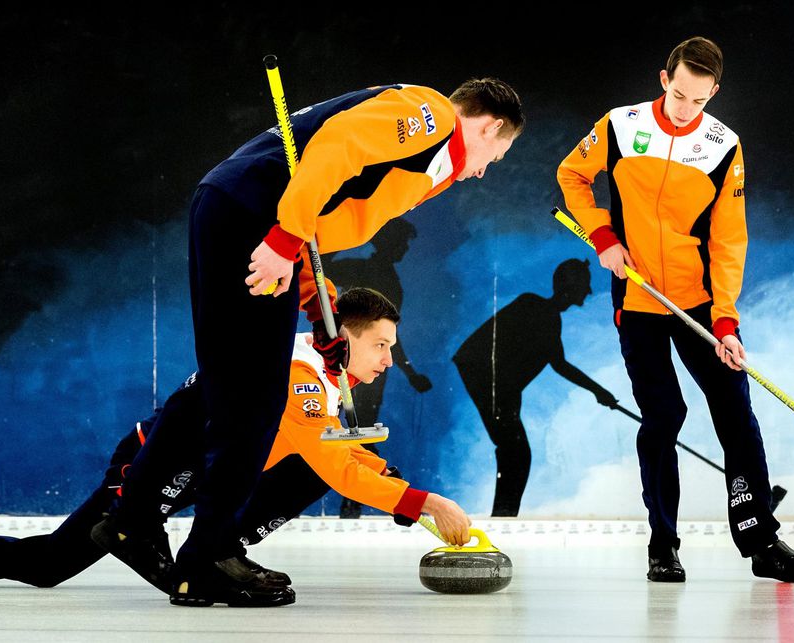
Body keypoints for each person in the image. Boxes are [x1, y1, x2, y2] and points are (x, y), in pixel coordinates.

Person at [104, 77, 523, 606]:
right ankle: (204, 557)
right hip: (255, 217)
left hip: (246, 213)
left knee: (229, 386)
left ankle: (141, 527)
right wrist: (280, 239)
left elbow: (316, 229)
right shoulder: (429, 115)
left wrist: (321, 318)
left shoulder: (423, 165)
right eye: (496, 154)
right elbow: (336, 148)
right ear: (489, 126)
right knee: (255, 400)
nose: (483, 171)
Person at [0, 288, 472, 607]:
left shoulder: (327, 378)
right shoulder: (302, 376)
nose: (390, 359)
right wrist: (422, 503)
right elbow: (336, 461)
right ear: (347, 337)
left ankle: (218, 551)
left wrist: (406, 495)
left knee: (313, 473)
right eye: (381, 345)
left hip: (206, 473)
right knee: (50, 565)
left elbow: (335, 456)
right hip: (151, 465)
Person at [556, 37, 794, 583]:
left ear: (714, 93)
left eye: (698, 101)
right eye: (679, 95)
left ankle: (761, 542)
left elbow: (729, 239)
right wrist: (603, 234)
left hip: (698, 304)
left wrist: (725, 319)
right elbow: (571, 177)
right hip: (637, 296)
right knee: (664, 417)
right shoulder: (620, 125)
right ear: (663, 79)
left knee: (736, 415)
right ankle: (663, 546)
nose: (685, 110)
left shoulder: (725, 146)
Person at [453, 258, 619, 517]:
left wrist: (599, 391)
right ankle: (503, 518)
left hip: (496, 384)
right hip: (486, 377)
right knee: (516, 454)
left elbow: (556, 362)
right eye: (584, 285)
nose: (588, 291)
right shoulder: (535, 306)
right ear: (569, 286)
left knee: (516, 454)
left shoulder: (547, 314)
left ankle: (504, 516)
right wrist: (599, 391)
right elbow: (558, 363)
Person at [325, 219, 433, 519]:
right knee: (354, 431)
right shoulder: (375, 274)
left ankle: (358, 500)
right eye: (402, 242)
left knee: (359, 431)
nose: (405, 248)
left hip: (357, 367)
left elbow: (388, 341)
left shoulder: (379, 275)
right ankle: (363, 498)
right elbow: (320, 269)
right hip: (347, 365)